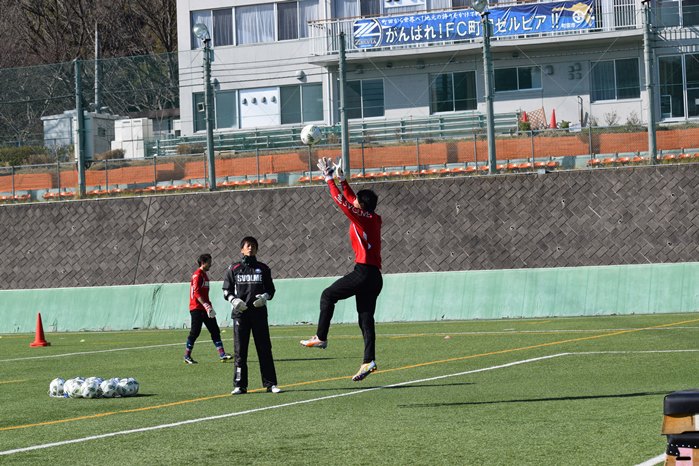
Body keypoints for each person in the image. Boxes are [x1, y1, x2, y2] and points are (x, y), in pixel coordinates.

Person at [300, 157, 383, 382]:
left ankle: (321, 337)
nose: (354, 202)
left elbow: (342, 202)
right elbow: (351, 199)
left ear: (361, 206)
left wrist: (329, 179)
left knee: (328, 295)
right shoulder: (373, 217)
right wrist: (343, 180)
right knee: (365, 319)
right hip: (375, 277)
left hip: (363, 272)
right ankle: (369, 360)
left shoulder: (362, 218)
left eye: (357, 202)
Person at [222, 236, 281, 395]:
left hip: (259, 314)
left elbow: (271, 290)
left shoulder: (263, 268)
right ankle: (239, 385)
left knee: (264, 349)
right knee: (240, 351)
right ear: (242, 249)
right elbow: (226, 290)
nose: (250, 248)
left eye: (253, 246)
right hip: (240, 315)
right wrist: (233, 300)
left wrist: (264, 297)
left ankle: (271, 384)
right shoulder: (233, 268)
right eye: (248, 246)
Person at [184, 253, 232, 364]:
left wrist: (208, 306)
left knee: (215, 330)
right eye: (209, 262)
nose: (211, 264)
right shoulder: (197, 275)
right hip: (197, 308)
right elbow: (196, 292)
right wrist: (206, 305)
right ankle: (187, 356)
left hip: (206, 308)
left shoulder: (204, 275)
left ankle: (222, 354)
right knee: (195, 332)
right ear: (203, 263)